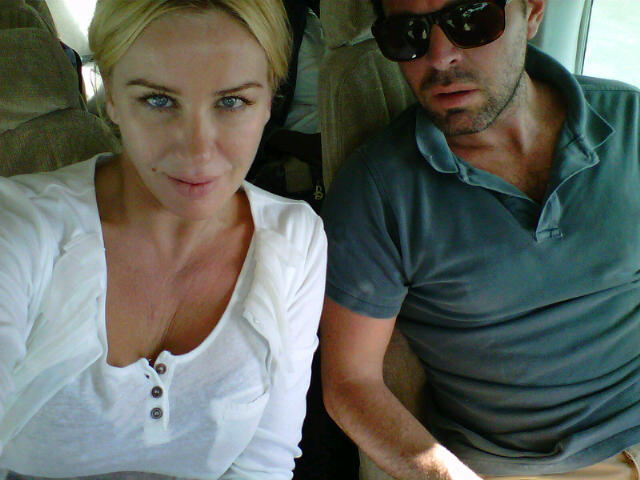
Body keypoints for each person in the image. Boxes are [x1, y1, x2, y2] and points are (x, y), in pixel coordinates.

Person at [0, 0, 326, 478]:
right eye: (158, 100)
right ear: (110, 95)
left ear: (269, 103)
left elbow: (263, 464)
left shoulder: (295, 240)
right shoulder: (19, 230)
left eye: (232, 102)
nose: (198, 150)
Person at [320, 0, 640, 479]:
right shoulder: (378, 190)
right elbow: (350, 384)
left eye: (471, 18)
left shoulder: (631, 122)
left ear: (532, 12)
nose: (440, 56)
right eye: (407, 34)